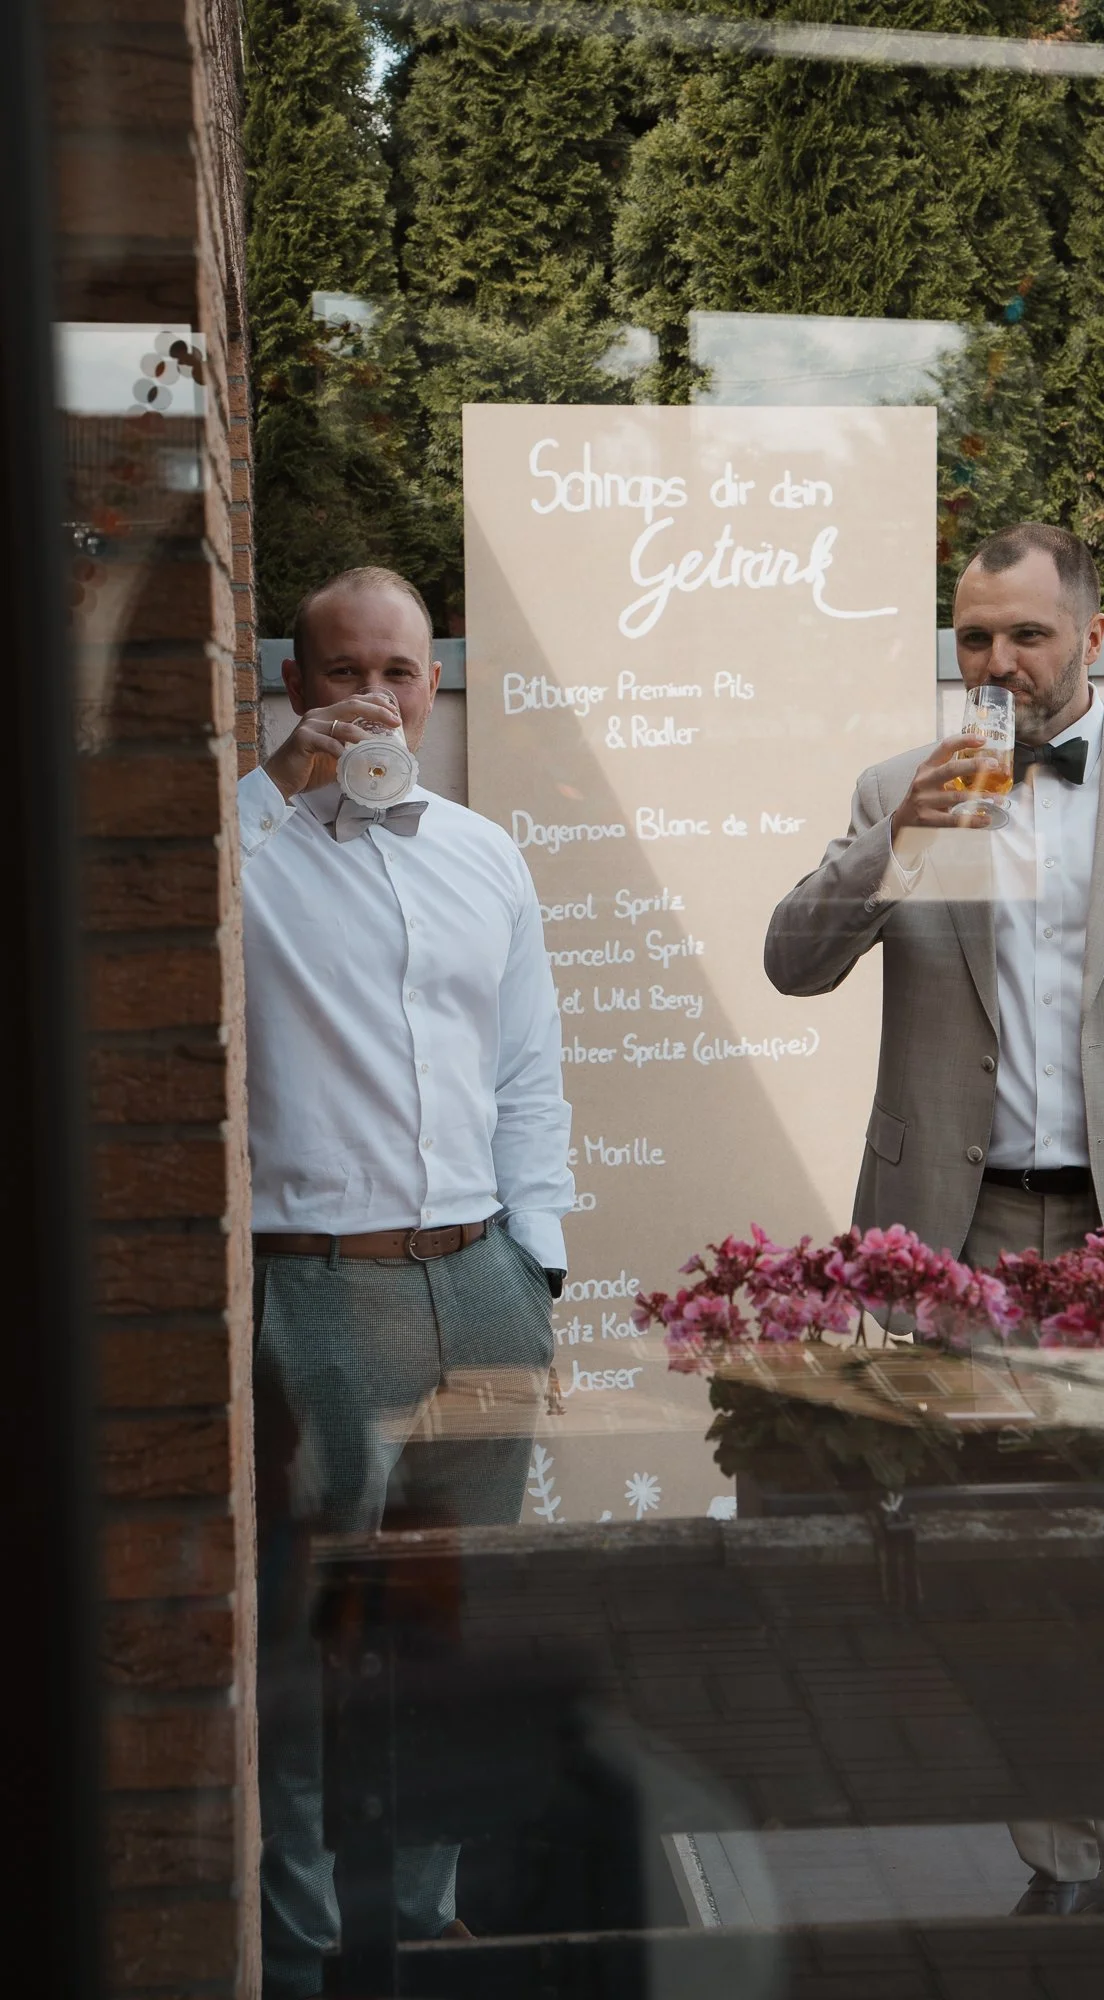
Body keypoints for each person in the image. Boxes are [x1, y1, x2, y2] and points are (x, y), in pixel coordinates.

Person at [764, 522, 1104, 1919]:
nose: (997, 663)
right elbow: (793, 962)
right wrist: (899, 843)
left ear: (1094, 639)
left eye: (1026, 635)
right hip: (969, 1238)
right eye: (974, 637)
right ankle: (1059, 1859)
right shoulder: (905, 788)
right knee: (993, 1566)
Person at [240, 565, 573, 1997]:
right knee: (313, 1647)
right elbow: (142, 900)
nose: (376, 697)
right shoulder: (248, 850)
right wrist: (269, 782)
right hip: (318, 1295)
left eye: (402, 670)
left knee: (445, 1640)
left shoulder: (487, 854)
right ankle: (306, 1947)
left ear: (435, 682)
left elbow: (527, 1073)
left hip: (480, 1282)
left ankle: (425, 1921)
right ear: (296, 681)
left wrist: (536, 1262)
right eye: (344, 670)